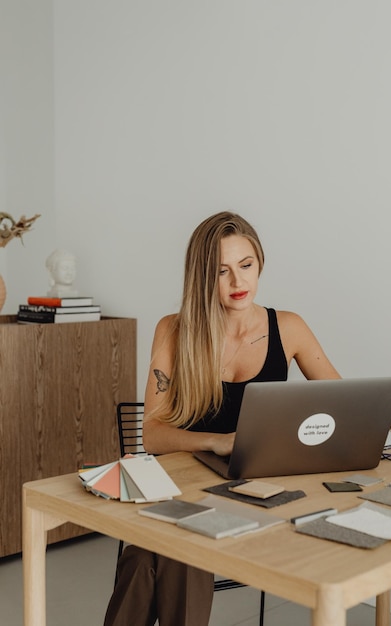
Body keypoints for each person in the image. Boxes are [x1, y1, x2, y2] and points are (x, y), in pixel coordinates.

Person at [103, 211, 340, 626]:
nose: (237, 283)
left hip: (260, 490)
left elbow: (342, 406)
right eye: (221, 272)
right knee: (161, 553)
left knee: (159, 550)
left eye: (246, 266)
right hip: (189, 485)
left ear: (259, 263)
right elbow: (153, 435)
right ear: (201, 277)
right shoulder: (175, 331)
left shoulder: (288, 327)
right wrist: (215, 441)